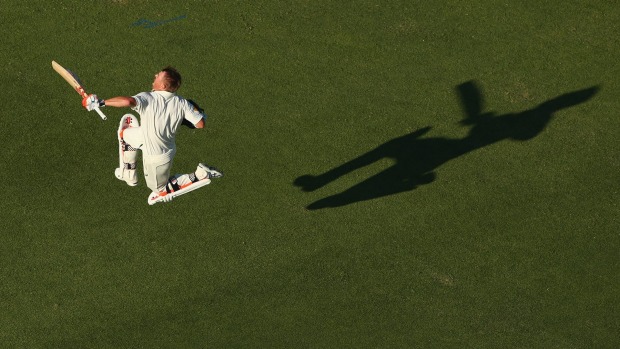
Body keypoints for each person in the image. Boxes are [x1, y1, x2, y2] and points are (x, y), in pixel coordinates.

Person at [82, 66, 222, 204]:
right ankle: (130, 175)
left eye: (158, 76)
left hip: (157, 158)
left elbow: (128, 101)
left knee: (159, 189)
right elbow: (200, 124)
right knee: (125, 135)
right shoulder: (183, 103)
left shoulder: (148, 97)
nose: (155, 75)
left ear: (163, 85)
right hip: (156, 142)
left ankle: (200, 174)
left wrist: (101, 102)